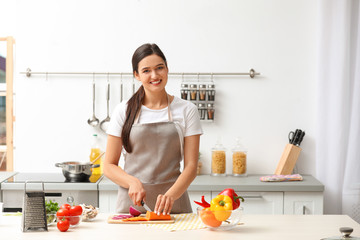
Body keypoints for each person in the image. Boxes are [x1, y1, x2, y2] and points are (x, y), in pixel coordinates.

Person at [104, 43, 203, 215]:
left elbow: (191, 167)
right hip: (132, 205)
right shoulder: (123, 110)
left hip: (174, 205)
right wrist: (131, 182)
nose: (155, 75)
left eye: (159, 68)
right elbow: (108, 166)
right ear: (136, 75)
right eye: (146, 70)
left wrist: (170, 196)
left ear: (167, 69)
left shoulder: (187, 110)